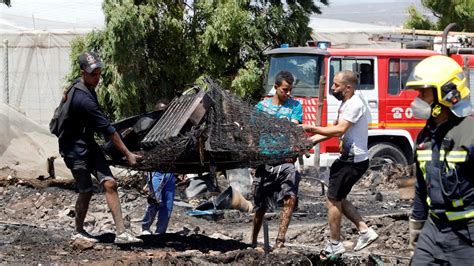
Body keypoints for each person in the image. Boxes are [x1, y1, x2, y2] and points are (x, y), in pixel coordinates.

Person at [59, 52, 142, 244]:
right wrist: (128, 153)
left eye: (99, 73)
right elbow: (109, 130)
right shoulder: (83, 99)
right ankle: (78, 231)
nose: (98, 78)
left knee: (110, 183)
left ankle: (121, 233)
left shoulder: (83, 85)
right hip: (73, 148)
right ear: (83, 73)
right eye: (93, 74)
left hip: (87, 142)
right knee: (86, 190)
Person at [404, 55, 474, 264]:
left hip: (467, 235)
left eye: (423, 92)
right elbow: (421, 187)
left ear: (447, 93)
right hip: (432, 232)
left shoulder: (470, 134)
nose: (417, 99)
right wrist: (416, 230)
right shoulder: (425, 137)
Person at [303, 70, 378, 255]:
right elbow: (332, 128)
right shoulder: (346, 103)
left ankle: (335, 244)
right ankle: (364, 231)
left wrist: (310, 128)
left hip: (352, 161)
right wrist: (310, 141)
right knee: (339, 198)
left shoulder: (355, 104)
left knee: (332, 200)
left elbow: (339, 130)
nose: (332, 88)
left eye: (336, 85)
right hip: (348, 159)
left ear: (348, 88)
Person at [251, 70, 303, 249]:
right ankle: (253, 240)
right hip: (265, 161)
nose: (288, 93)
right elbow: (253, 132)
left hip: (286, 160)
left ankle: (280, 240)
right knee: (260, 206)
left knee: (290, 198)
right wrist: (253, 156)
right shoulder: (261, 108)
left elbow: (294, 126)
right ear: (275, 88)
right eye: (285, 90)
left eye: (290, 90)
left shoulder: (295, 106)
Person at [140, 101, 176, 235]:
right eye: (161, 111)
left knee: (168, 204)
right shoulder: (149, 129)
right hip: (155, 170)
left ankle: (161, 232)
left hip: (169, 171)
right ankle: (145, 227)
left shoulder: (174, 129)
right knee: (155, 200)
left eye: (166, 111)